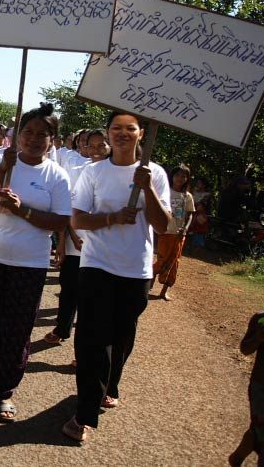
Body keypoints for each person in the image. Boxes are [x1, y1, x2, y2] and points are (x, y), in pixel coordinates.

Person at [62, 111, 171, 443]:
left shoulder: (156, 173)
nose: (122, 134)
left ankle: (111, 383)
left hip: (135, 269)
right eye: (116, 128)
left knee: (121, 337)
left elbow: (164, 225)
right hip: (97, 264)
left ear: (141, 134)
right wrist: (110, 218)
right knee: (93, 339)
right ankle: (84, 415)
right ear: (108, 134)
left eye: (130, 128)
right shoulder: (94, 171)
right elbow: (78, 219)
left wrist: (148, 187)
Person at [0, 103, 71, 422]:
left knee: (15, 330)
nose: (34, 139)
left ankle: (1, 393)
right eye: (28, 132)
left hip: (30, 263)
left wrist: (22, 208)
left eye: (43, 134)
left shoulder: (57, 176)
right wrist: (1, 169)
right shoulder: (3, 161)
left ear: (52, 139)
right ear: (18, 135)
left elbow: (59, 222)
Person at [44, 128, 108, 348]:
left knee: (95, 299)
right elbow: (68, 207)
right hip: (75, 243)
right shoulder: (78, 169)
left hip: (102, 248)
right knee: (69, 288)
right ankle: (62, 328)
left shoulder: (115, 174)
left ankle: (87, 347)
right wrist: (66, 239)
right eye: (91, 145)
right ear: (83, 147)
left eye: (103, 145)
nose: (97, 150)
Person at [228, 265, 264, 466]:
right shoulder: (261, 320)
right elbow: (245, 349)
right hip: (263, 389)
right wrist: (258, 338)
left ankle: (237, 456)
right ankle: (243, 457)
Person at [153, 164, 195, 301]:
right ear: (172, 176)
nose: (180, 178)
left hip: (179, 234)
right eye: (178, 175)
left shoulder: (187, 196)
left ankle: (164, 291)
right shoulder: (165, 191)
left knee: (173, 262)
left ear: (187, 179)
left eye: (184, 176)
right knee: (161, 259)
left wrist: (186, 228)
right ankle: (149, 285)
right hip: (165, 231)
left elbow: (189, 215)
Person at [189, 177, 212, 248]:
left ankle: (198, 246)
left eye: (199, 183)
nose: (197, 185)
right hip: (192, 213)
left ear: (204, 185)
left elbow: (202, 206)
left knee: (199, 230)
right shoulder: (193, 192)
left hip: (201, 215)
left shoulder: (207, 195)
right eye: (197, 183)